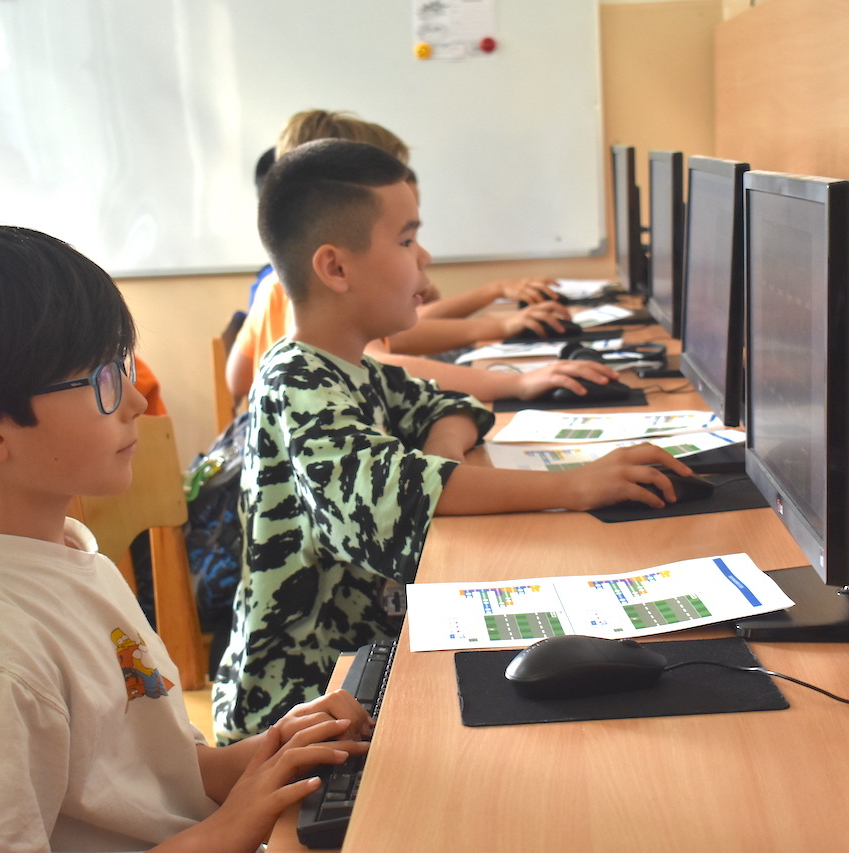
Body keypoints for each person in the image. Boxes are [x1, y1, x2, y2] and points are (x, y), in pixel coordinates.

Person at [0, 226, 371, 853]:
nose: (134, 403)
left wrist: (266, 753)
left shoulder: (71, 557)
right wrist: (231, 828)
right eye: (100, 379)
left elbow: (153, 777)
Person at [212, 140, 694, 744]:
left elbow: (453, 406)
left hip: (364, 666)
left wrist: (434, 463)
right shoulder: (296, 382)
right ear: (335, 268)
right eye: (407, 240)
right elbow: (396, 501)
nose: (426, 257)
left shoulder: (352, 367)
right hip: (298, 705)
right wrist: (573, 486)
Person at [224, 109, 615, 406]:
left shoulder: (282, 288)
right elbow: (387, 367)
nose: (422, 253)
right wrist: (514, 376)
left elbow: (237, 380)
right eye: (405, 239)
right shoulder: (311, 370)